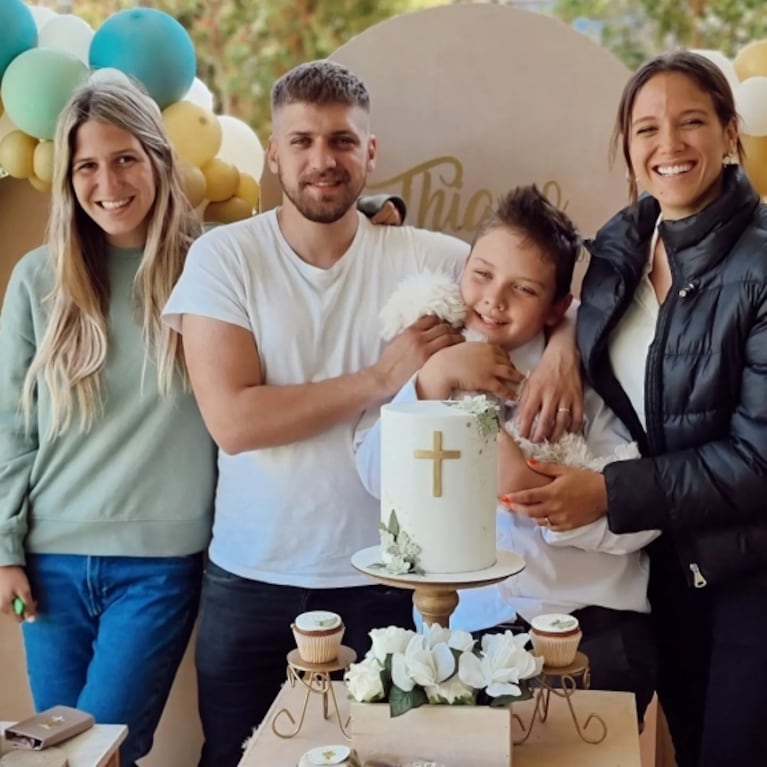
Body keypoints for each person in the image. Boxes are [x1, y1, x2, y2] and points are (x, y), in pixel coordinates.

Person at [162, 60, 579, 767]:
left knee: (390, 757)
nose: (321, 160)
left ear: (370, 152)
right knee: (234, 757)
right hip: (251, 576)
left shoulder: (432, 256)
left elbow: (563, 272)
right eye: (300, 141)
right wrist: (383, 376)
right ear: (272, 152)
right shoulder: (223, 257)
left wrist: (564, 346)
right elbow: (234, 420)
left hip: (391, 582)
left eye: (341, 141)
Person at [504, 51, 767, 767]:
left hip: (747, 570)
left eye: (690, 123)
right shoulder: (621, 244)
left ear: (727, 132)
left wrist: (607, 492)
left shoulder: (758, 264)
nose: (669, 145)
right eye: (646, 128)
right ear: (625, 144)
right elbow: (590, 321)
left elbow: (758, 458)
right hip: (665, 568)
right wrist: (562, 346)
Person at [355, 185, 658, 722]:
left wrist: (553, 503)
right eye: (482, 275)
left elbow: (642, 516)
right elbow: (378, 475)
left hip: (590, 626)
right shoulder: (431, 358)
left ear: (557, 307)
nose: (495, 299)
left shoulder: (588, 380)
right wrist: (434, 379)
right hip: (465, 630)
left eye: (523, 288)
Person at [0, 80, 215, 767]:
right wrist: (4, 547)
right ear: (68, 178)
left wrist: (366, 205)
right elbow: (9, 423)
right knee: (54, 752)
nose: (107, 182)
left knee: (101, 752)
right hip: (50, 560)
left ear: (156, 159)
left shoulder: (209, 266)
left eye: (124, 158)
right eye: (86, 165)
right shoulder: (39, 279)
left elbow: (297, 241)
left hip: (159, 563)